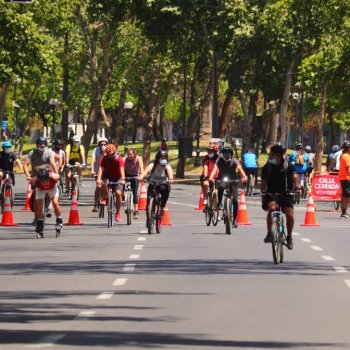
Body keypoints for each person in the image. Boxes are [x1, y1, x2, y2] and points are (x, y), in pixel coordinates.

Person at [261, 144, 299, 250]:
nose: (270, 156)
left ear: (278, 155)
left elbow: (295, 177)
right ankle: (270, 232)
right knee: (272, 209)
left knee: (289, 214)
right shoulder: (267, 166)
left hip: (286, 193)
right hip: (271, 193)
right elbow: (263, 183)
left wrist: (297, 187)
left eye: (272, 154)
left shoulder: (288, 166)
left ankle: (289, 237)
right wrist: (263, 195)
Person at [23, 137, 58, 232]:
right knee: (35, 196)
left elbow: (53, 164)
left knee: (51, 195)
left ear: (46, 145)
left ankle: (48, 204)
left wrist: (56, 174)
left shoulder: (49, 153)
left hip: (47, 177)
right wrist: (28, 175)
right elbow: (25, 164)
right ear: (37, 145)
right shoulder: (32, 153)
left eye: (43, 143)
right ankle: (36, 217)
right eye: (40, 143)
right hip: (36, 178)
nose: (42, 145)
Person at [209, 146, 247, 227]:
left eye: (228, 153)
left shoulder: (234, 161)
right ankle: (219, 203)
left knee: (235, 200)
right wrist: (211, 177)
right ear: (223, 154)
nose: (226, 155)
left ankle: (235, 218)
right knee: (221, 187)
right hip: (222, 180)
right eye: (225, 153)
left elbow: (240, 169)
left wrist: (244, 177)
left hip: (233, 181)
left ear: (231, 154)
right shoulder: (219, 160)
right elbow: (215, 169)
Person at [29, 164, 63, 238]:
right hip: (40, 189)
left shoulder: (53, 176)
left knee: (55, 203)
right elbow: (32, 185)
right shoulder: (35, 180)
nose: (44, 183)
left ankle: (59, 221)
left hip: (52, 187)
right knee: (38, 205)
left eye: (45, 181)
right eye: (42, 181)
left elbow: (59, 177)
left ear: (48, 178)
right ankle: (40, 224)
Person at [138, 150, 174, 217]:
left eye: (165, 158)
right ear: (158, 158)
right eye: (162, 158)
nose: (164, 159)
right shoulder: (152, 165)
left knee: (167, 189)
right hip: (153, 184)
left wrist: (170, 179)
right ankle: (148, 218)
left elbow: (170, 175)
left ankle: (162, 207)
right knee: (148, 201)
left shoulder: (167, 167)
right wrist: (141, 176)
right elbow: (145, 172)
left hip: (163, 185)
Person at [96, 144, 125, 222]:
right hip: (107, 176)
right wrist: (99, 178)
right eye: (109, 154)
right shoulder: (104, 159)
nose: (111, 156)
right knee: (103, 183)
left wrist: (122, 179)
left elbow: (122, 170)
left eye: (112, 154)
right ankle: (105, 197)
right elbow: (101, 169)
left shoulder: (119, 159)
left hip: (117, 177)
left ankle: (118, 213)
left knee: (118, 193)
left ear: (115, 152)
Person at [123, 148, 144, 219]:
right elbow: (120, 167)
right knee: (121, 187)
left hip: (135, 176)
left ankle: (136, 210)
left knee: (135, 192)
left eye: (131, 154)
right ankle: (124, 200)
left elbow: (141, 167)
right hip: (126, 174)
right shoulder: (124, 159)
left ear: (135, 154)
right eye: (128, 154)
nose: (129, 155)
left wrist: (141, 176)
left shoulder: (138, 158)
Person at [91, 137, 108, 212]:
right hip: (98, 170)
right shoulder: (96, 150)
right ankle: (95, 204)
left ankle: (106, 198)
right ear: (99, 145)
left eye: (104, 144)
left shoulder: (109, 150)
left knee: (107, 185)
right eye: (101, 144)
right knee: (98, 186)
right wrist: (92, 170)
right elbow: (92, 161)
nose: (103, 146)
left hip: (107, 170)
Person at [338, 141, 350, 218]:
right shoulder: (346, 156)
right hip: (346, 178)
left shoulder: (343, 155)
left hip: (344, 178)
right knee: (346, 196)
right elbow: (348, 168)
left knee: (346, 195)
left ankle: (344, 211)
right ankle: (344, 212)